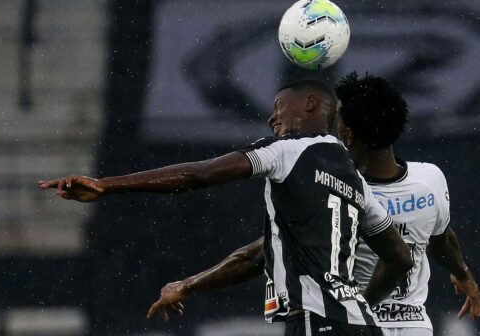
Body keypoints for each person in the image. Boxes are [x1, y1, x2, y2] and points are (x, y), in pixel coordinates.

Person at [39, 78, 413, 335]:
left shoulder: (284, 151)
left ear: (310, 104)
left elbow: (195, 176)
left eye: (278, 108)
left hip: (316, 324)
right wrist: (354, 303)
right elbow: (400, 258)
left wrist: (107, 185)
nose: (272, 118)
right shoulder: (355, 180)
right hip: (363, 325)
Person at [146, 73, 480, 336]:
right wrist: (463, 273)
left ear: (347, 135)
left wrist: (189, 285)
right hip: (415, 328)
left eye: (337, 124)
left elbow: (257, 255)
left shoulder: (337, 190)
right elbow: (440, 237)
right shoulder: (431, 179)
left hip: (350, 325)